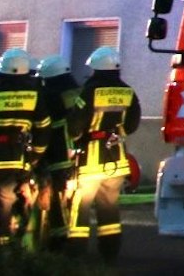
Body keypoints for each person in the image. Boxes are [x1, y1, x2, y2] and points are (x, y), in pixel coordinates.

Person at [67, 46, 140, 261]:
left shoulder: (89, 91)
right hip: (116, 159)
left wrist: (78, 137)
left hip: (91, 159)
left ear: (97, 69)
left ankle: (76, 252)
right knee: (109, 207)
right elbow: (133, 123)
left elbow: (75, 125)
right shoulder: (128, 91)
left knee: (80, 205)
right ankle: (110, 251)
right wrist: (116, 134)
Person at [32, 55, 85, 252]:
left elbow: (43, 123)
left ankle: (59, 238)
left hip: (57, 151)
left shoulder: (50, 95)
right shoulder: (77, 92)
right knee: (74, 197)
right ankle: (73, 235)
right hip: (80, 150)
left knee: (57, 196)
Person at [0, 48, 42, 249]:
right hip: (16, 158)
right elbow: (44, 127)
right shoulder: (34, 95)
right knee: (6, 202)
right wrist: (36, 155)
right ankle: (6, 249)